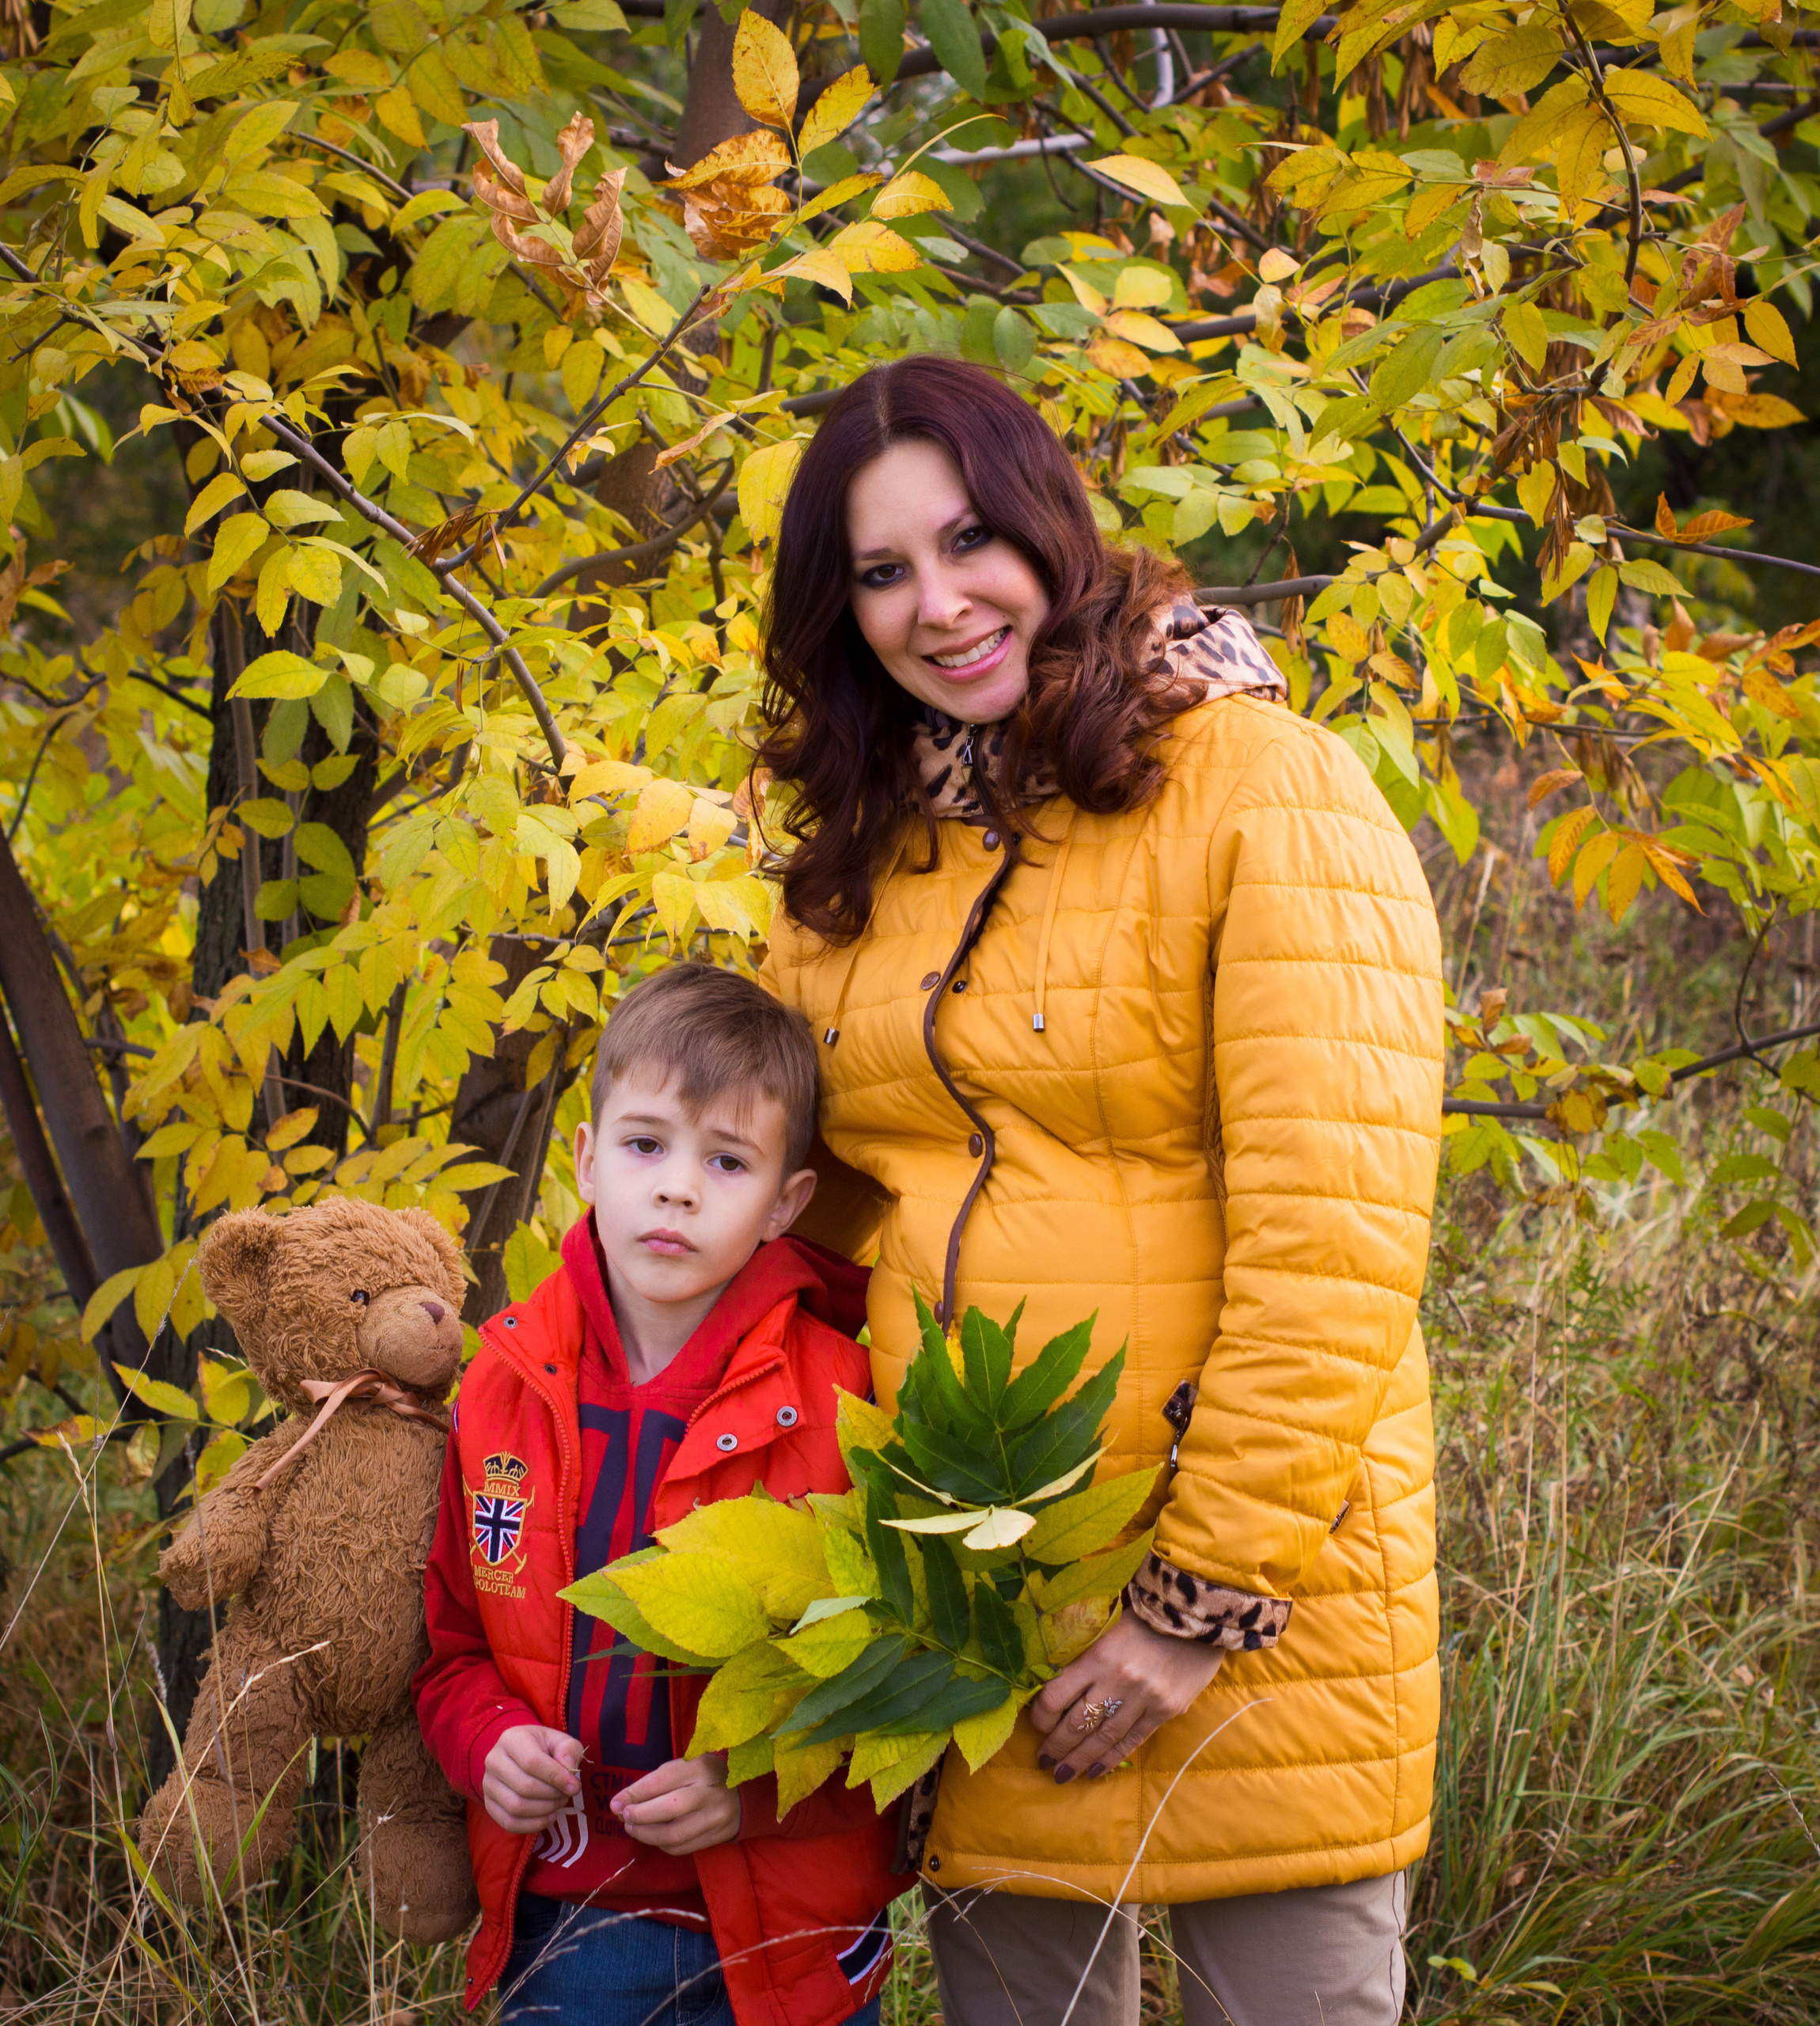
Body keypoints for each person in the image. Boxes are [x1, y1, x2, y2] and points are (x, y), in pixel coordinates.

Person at [756, 356, 1443, 2026]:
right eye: (880, 570)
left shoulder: (1259, 785)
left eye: (971, 538)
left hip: (1265, 1612)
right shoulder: (859, 860)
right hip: (976, 1600)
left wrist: (1189, 1608)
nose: (940, 603)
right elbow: (796, 1207)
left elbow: (1332, 1243)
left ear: (1050, 529)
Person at [415, 963, 901, 2026]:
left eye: (725, 1161)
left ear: (786, 1204)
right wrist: (490, 1740)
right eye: (646, 1145)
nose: (677, 1187)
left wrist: (754, 1786)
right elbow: (451, 1647)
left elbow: (897, 1682)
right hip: (573, 1915)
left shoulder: (843, 1399)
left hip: (791, 1930)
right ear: (586, 1161)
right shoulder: (504, 1384)